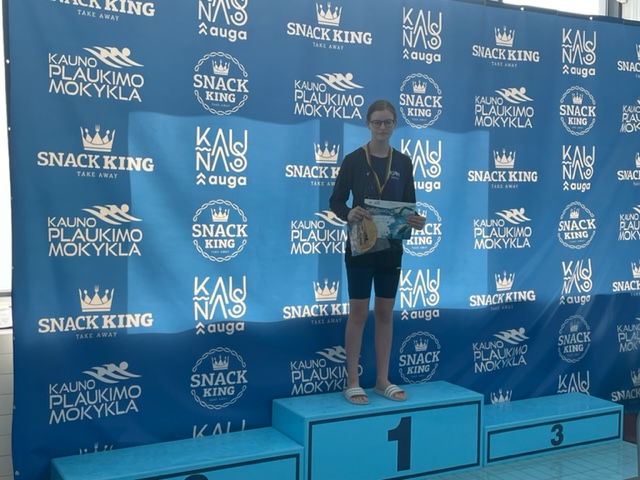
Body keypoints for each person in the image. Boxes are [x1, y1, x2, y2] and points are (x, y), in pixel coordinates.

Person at [329, 100, 425, 405]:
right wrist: (348, 213)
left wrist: (416, 221)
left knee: (384, 313)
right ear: (368, 124)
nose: (382, 127)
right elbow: (335, 201)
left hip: (391, 248)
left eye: (388, 122)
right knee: (358, 313)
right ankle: (352, 381)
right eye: (377, 122)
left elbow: (409, 206)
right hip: (361, 245)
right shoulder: (353, 160)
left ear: (395, 124)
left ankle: (382, 380)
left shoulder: (404, 162)